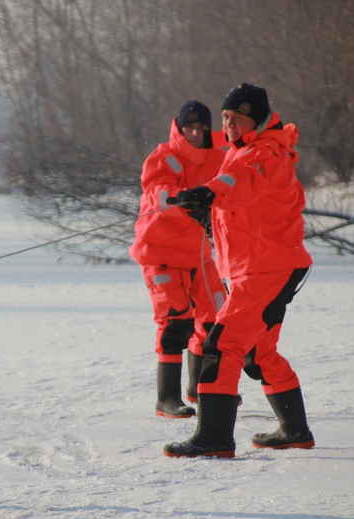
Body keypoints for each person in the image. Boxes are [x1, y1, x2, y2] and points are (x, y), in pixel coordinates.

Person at [164, 83, 315, 458]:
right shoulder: (244, 151)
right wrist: (206, 215)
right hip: (263, 267)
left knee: (222, 344)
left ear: (258, 119)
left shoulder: (265, 154)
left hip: (267, 270)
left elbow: (238, 182)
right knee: (260, 352)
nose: (229, 125)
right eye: (227, 118)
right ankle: (294, 430)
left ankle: (213, 437)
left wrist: (210, 191)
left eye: (237, 118)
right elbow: (244, 210)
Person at [129, 100, 228, 419]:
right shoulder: (164, 156)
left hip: (199, 253)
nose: (195, 134)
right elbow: (156, 190)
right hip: (160, 251)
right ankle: (166, 398)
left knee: (215, 320)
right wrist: (180, 200)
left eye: (200, 129)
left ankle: (199, 388)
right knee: (175, 323)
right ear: (179, 127)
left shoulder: (220, 154)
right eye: (189, 129)